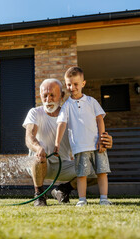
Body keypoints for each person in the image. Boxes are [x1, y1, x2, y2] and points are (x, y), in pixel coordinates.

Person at [22, 78, 113, 206]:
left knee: (94, 170)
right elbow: (29, 137)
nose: (48, 100)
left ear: (62, 96)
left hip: (63, 165)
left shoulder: (70, 114)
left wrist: (104, 139)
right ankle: (39, 195)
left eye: (52, 95)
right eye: (45, 96)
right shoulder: (35, 112)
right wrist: (38, 148)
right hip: (41, 163)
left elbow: (88, 133)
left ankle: (64, 189)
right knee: (37, 156)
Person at [54, 66, 112, 207]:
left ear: (83, 84)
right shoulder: (67, 105)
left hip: (96, 144)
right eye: (69, 84)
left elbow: (100, 119)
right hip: (80, 147)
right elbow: (61, 124)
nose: (72, 87)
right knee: (81, 175)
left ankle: (104, 198)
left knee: (102, 172)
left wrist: (102, 138)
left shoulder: (91, 101)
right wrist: (57, 144)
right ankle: (82, 199)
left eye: (75, 84)